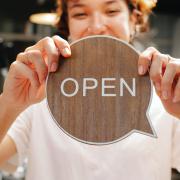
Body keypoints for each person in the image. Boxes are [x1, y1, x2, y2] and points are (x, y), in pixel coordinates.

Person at [0, 0, 180, 179]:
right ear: (67, 25)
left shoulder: (166, 96)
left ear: (133, 19)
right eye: (80, 14)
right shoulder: (39, 93)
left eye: (111, 11)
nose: (96, 27)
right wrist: (9, 103)